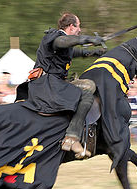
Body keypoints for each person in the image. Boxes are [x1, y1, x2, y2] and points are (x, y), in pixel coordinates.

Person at [16, 12, 106, 158]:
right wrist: (88, 39)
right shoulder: (55, 36)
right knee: (87, 96)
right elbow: (62, 42)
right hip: (47, 86)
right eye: (78, 26)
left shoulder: (64, 42)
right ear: (71, 26)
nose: (80, 30)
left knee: (89, 85)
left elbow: (73, 51)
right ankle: (71, 137)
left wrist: (94, 52)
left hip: (52, 84)